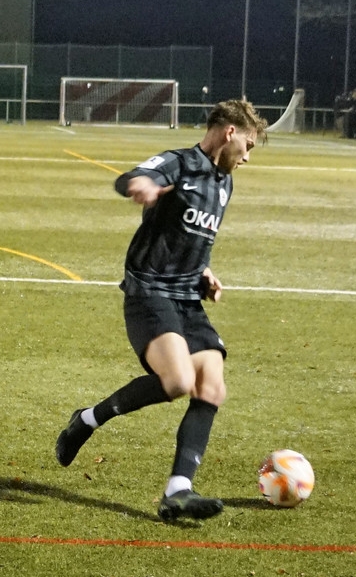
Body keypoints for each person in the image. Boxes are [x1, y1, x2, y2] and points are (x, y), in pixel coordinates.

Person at [55, 99, 267, 522]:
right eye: (248, 145)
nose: (247, 157)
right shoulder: (180, 163)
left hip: (186, 297)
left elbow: (193, 237)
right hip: (148, 292)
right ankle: (88, 419)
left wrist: (205, 272)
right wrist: (142, 186)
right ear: (230, 133)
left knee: (212, 386)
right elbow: (131, 177)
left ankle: (178, 490)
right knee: (178, 381)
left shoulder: (225, 184)